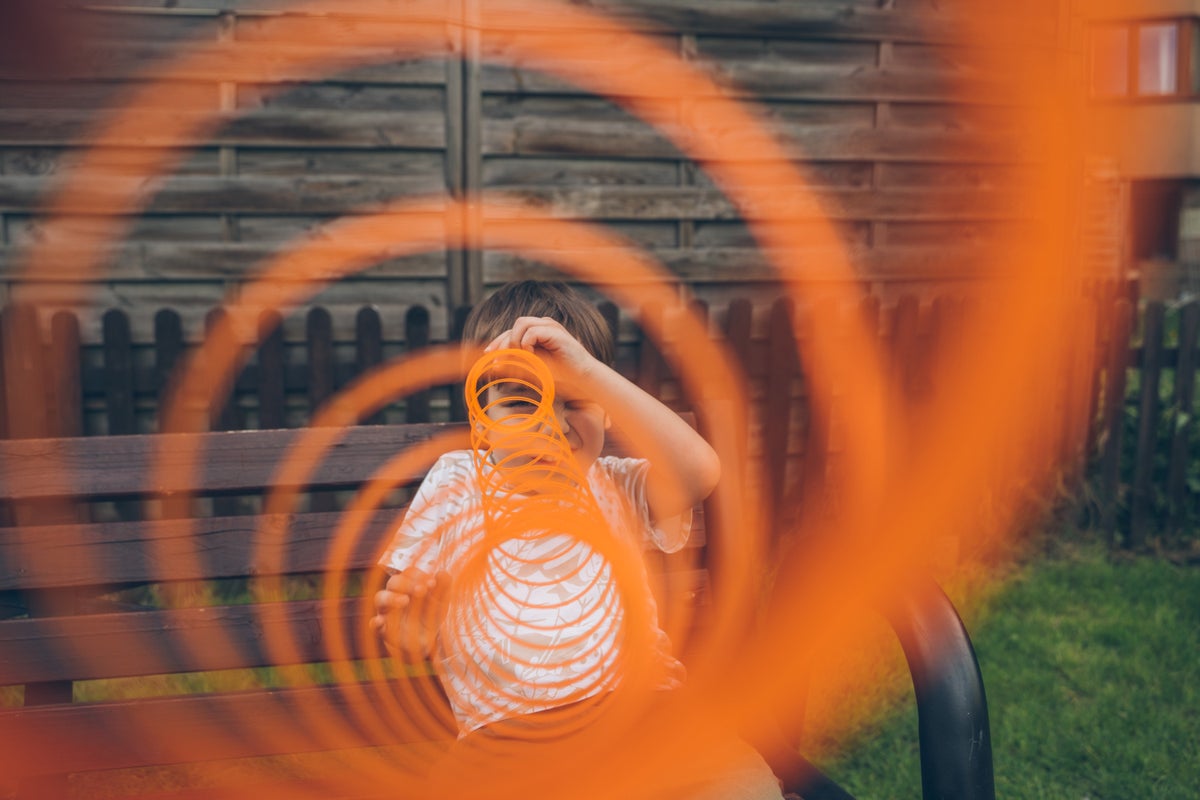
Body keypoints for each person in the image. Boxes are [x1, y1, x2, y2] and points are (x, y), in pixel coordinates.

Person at [370, 280, 784, 799]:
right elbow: (409, 616)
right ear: (482, 412)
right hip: (506, 739)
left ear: (608, 408)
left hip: (645, 714)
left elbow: (700, 471)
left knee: (740, 788)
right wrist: (411, 635)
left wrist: (588, 368)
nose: (553, 424)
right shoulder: (455, 481)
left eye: (576, 401)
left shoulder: (615, 482)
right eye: (523, 401)